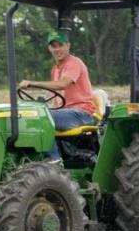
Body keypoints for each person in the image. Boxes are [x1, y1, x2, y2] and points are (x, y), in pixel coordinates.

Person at [19, 30, 96, 160]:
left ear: (68, 45)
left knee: (40, 117)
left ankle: (55, 161)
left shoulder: (74, 63)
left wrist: (32, 83)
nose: (57, 49)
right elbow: (58, 97)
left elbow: (63, 84)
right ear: (49, 48)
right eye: (53, 46)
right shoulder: (55, 69)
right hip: (66, 112)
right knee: (25, 115)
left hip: (81, 113)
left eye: (60, 45)